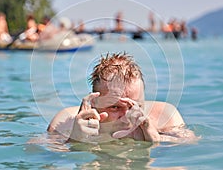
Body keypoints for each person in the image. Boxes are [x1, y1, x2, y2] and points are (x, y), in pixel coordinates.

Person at [47, 52, 197, 144]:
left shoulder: (166, 116)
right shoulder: (65, 123)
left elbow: (191, 144)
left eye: (135, 105)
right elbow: (36, 153)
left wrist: (156, 140)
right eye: (115, 107)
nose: (128, 117)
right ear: (94, 103)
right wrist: (75, 141)